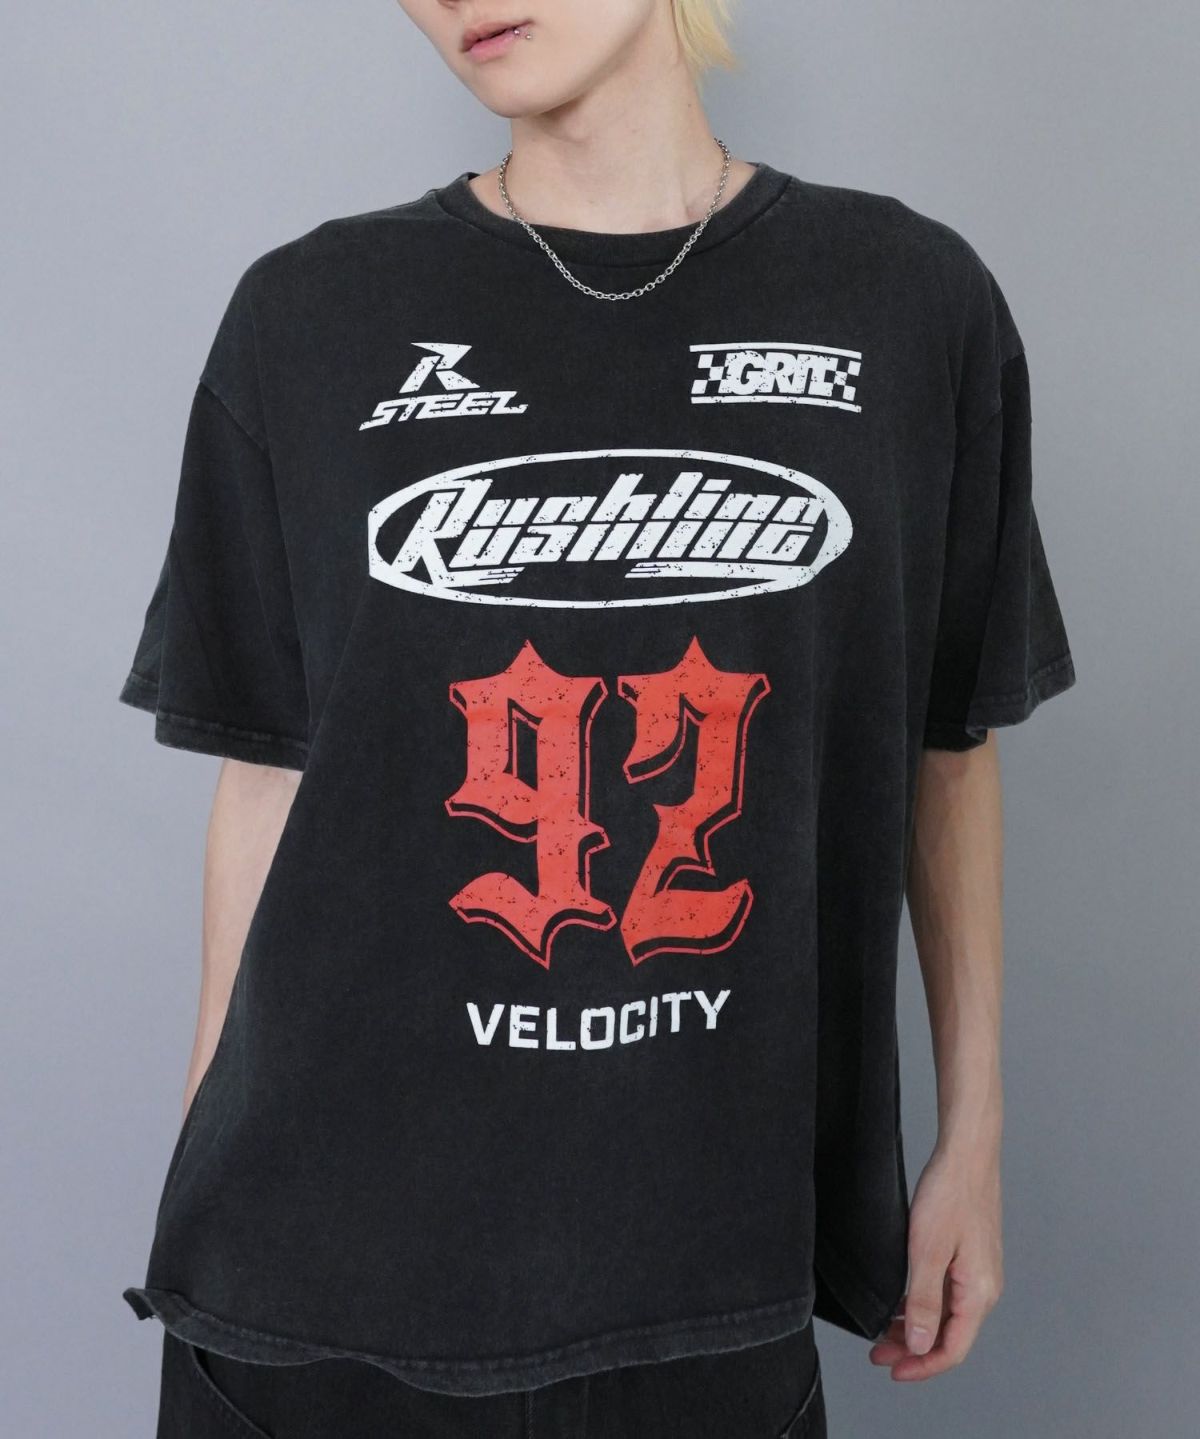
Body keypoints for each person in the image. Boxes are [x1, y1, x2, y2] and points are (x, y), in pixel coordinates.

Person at [116, 2, 1077, 1435]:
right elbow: (268, 777)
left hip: (710, 1256)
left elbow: (947, 743)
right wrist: (204, 1164)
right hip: (317, 1269)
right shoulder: (309, 314)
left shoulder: (906, 301)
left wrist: (973, 1138)